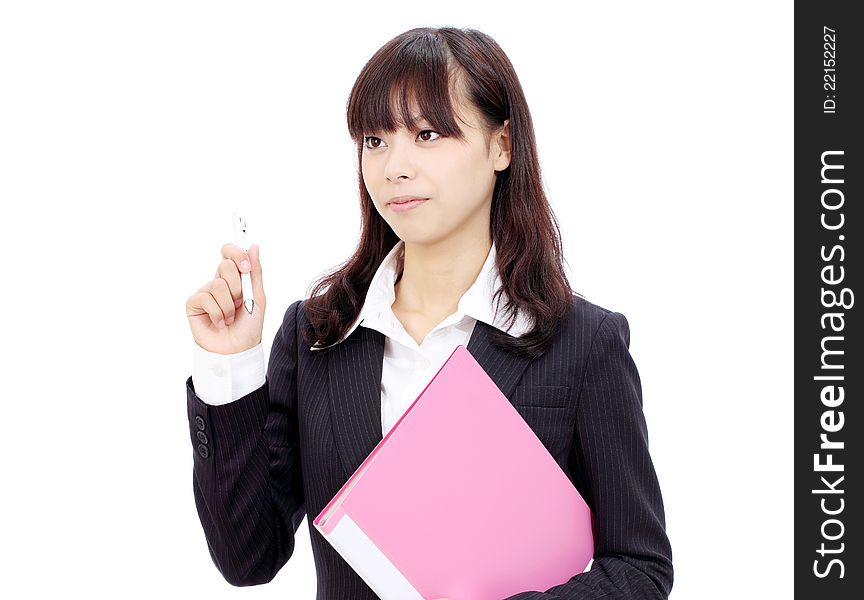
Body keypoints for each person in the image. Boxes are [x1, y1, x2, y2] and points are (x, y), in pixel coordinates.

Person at [184, 26, 673, 600]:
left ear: (502, 146)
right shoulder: (318, 334)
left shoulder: (584, 342)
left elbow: (640, 569)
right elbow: (248, 558)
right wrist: (230, 367)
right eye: (375, 140)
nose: (394, 166)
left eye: (427, 133)